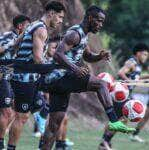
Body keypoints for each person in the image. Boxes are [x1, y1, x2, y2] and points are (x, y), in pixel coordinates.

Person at [41, 5, 135, 150]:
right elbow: (58, 54)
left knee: (54, 124)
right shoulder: (75, 34)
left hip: (59, 81)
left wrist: (99, 56)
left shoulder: (83, 35)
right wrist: (76, 68)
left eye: (102, 22)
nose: (100, 25)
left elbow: (87, 56)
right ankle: (114, 121)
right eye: (99, 21)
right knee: (101, 84)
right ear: (90, 18)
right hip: (60, 76)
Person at [7, 2, 66, 150]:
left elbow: (15, 44)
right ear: (51, 13)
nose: (60, 21)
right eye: (59, 17)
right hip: (24, 78)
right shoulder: (41, 29)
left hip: (29, 77)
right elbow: (38, 59)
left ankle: (43, 141)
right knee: (21, 116)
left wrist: (15, 60)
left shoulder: (33, 25)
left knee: (40, 107)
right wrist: (54, 68)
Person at [99, 43, 149, 149]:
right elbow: (121, 73)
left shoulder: (138, 65)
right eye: (144, 54)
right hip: (120, 94)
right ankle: (104, 142)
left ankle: (106, 141)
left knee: (123, 119)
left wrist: (147, 76)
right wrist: (130, 81)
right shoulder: (131, 62)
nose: (146, 57)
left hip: (126, 95)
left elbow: (136, 77)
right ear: (138, 53)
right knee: (118, 120)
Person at [0, 14, 30, 150]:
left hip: (10, 78)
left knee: (12, 112)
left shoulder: (24, 42)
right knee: (7, 112)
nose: (30, 30)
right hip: (2, 76)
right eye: (28, 27)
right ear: (20, 26)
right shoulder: (8, 37)